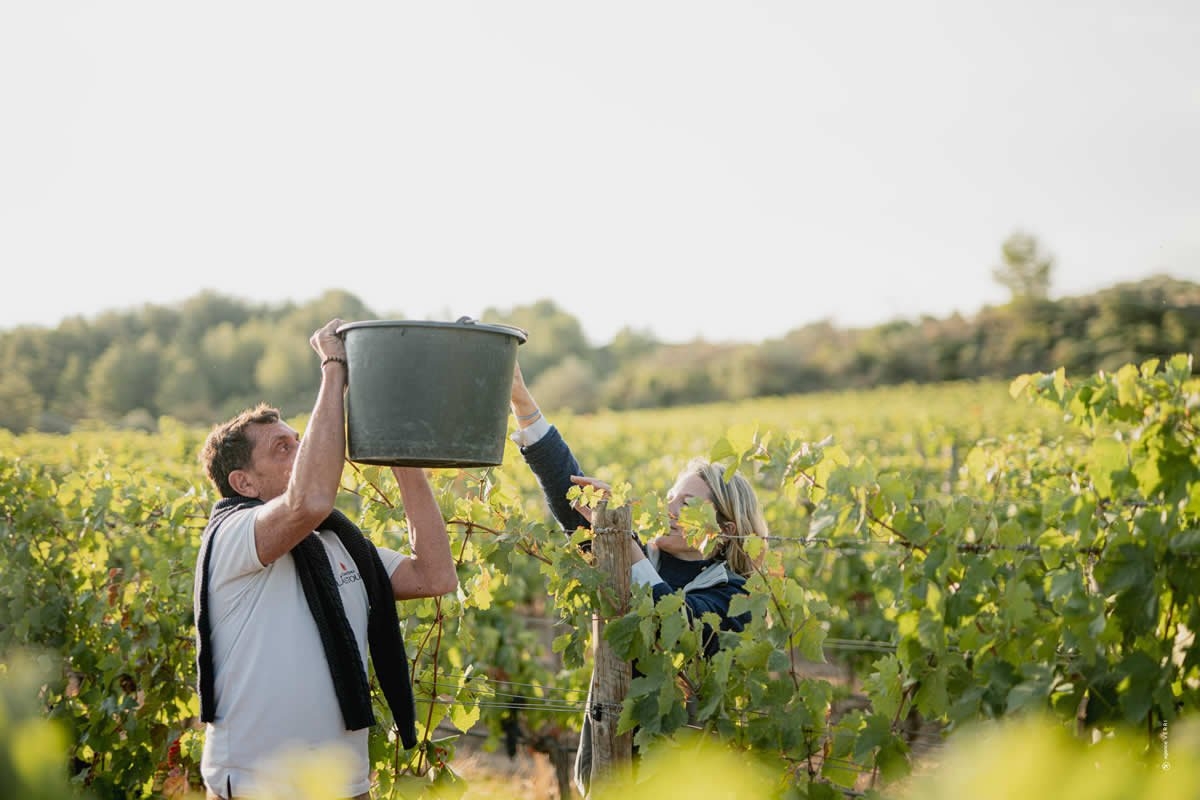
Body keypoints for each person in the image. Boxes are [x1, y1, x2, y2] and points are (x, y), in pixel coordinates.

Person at [192, 318, 459, 800]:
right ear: (244, 484)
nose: (302, 450)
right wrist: (334, 367)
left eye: (300, 440)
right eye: (282, 448)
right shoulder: (232, 535)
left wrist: (403, 460)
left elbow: (435, 574)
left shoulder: (337, 544)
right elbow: (309, 500)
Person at [508, 362, 768, 794]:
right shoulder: (636, 556)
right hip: (609, 773)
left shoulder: (738, 595)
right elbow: (569, 495)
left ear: (725, 526)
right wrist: (522, 399)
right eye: (670, 497)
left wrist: (620, 536)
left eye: (686, 504)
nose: (669, 509)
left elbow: (679, 628)